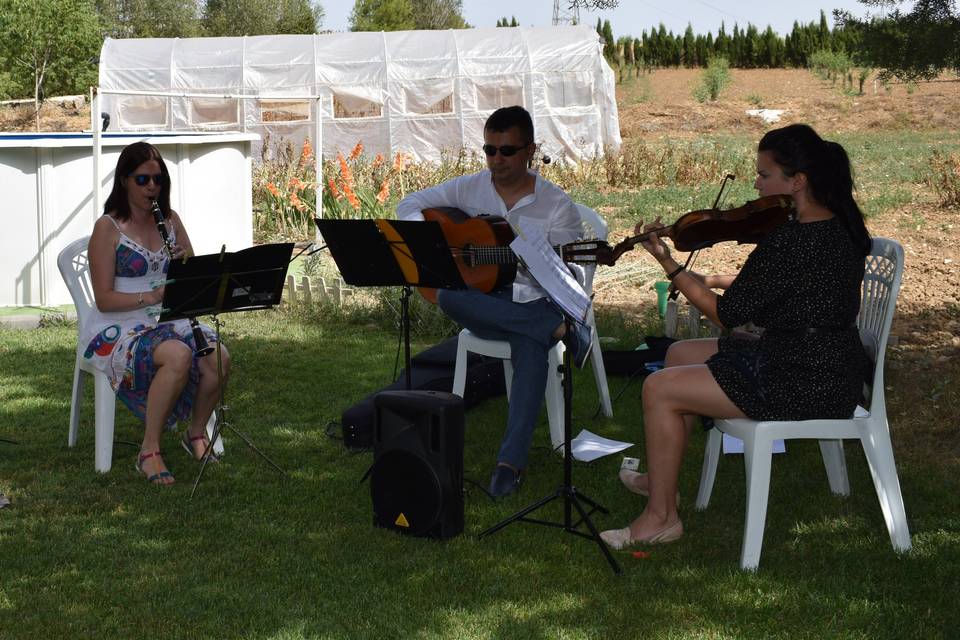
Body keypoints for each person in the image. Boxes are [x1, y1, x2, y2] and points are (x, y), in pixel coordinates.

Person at [600, 124, 872, 548]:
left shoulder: (790, 242)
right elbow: (776, 296)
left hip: (803, 377)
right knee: (678, 354)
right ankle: (659, 481)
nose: (756, 184)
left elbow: (726, 314)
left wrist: (670, 265)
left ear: (797, 181)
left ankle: (661, 519)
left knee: (658, 388)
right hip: (826, 362)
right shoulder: (840, 226)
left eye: (764, 175)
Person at [396, 106, 593, 498]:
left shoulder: (557, 205)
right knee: (449, 295)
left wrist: (541, 263)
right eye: (489, 150)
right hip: (489, 301)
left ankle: (509, 463)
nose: (496, 160)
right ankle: (555, 333)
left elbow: (577, 278)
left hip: (540, 300)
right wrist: (438, 244)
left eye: (507, 151)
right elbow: (409, 204)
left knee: (529, 348)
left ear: (531, 150)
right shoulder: (470, 188)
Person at [85, 142, 229, 486]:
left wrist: (181, 263)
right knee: (178, 356)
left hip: (168, 317)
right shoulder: (108, 227)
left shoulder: (170, 220)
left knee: (218, 357)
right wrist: (150, 294)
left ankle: (195, 433)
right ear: (124, 181)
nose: (152, 186)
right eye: (143, 179)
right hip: (118, 325)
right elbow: (104, 299)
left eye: (158, 179)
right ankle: (149, 450)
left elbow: (193, 274)